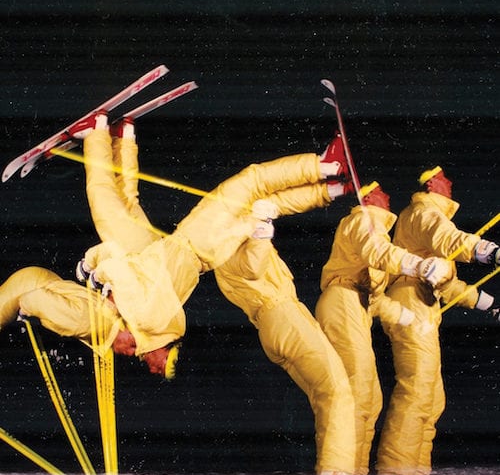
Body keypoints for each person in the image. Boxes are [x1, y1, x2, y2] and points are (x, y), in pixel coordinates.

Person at [72, 113, 351, 378]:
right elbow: (116, 270)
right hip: (194, 241)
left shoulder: (164, 326)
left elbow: (135, 304)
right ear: (168, 354)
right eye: (164, 368)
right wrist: (92, 269)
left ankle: (120, 136)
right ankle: (328, 166)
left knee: (121, 202)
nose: (153, 369)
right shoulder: (151, 323)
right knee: (251, 183)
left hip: (169, 251)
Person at [214, 180, 362, 475]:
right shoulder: (228, 246)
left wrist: (332, 191)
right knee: (337, 387)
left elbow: (281, 203)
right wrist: (261, 231)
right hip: (281, 316)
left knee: (325, 394)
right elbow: (252, 267)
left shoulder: (235, 240)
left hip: (278, 322)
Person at [314, 180, 454, 475]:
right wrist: (417, 265)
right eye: (380, 191)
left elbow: (376, 297)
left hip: (358, 303)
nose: (388, 195)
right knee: (358, 389)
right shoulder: (363, 222)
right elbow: (380, 252)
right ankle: (339, 472)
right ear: (367, 198)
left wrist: (405, 316)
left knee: (371, 397)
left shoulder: (374, 233)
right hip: (343, 299)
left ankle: (356, 474)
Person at [375, 166, 499, 475]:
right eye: (445, 179)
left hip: (422, 303)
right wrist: (488, 251)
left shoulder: (430, 218)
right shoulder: (424, 213)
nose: (451, 183)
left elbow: (449, 284)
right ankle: (395, 472)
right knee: (417, 386)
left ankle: (415, 472)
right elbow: (450, 240)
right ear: (432, 182)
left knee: (431, 397)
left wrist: (490, 305)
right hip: (409, 300)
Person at [0, 266, 129, 357]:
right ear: (126, 331)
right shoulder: (89, 325)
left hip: (37, 281)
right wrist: (27, 312)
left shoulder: (108, 321)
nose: (131, 353)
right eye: (132, 344)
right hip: (28, 286)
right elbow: (34, 300)